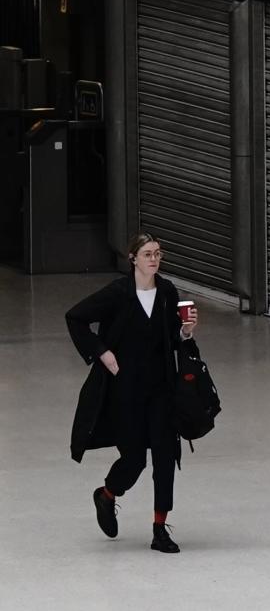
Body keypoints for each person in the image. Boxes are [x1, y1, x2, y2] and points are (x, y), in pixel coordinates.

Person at [66, 232, 200, 554]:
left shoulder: (167, 292)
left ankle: (159, 528)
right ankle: (107, 495)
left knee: (166, 457)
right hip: (126, 391)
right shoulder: (118, 293)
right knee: (135, 460)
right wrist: (102, 352)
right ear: (133, 259)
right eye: (148, 254)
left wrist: (185, 331)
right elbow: (76, 318)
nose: (154, 259)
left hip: (161, 390)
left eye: (158, 254)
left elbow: (171, 336)